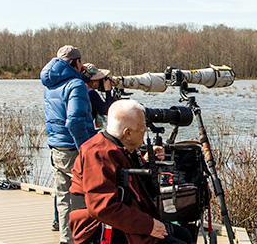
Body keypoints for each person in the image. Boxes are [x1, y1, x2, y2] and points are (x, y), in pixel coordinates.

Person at [70, 100, 192, 244]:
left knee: (184, 235)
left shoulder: (121, 147)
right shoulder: (98, 154)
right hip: (100, 228)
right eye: (141, 127)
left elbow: (128, 180)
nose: (146, 129)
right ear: (127, 133)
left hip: (124, 217)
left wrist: (146, 162)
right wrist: (148, 225)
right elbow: (103, 208)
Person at [41, 45, 97, 244]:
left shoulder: (50, 83)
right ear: (77, 62)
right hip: (74, 149)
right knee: (82, 198)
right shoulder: (76, 85)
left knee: (64, 198)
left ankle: (66, 239)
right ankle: (81, 239)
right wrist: (86, 148)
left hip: (57, 147)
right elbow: (74, 121)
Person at [83, 63, 115, 129]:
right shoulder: (90, 93)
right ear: (93, 81)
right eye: (99, 80)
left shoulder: (83, 89)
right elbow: (107, 110)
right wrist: (108, 91)